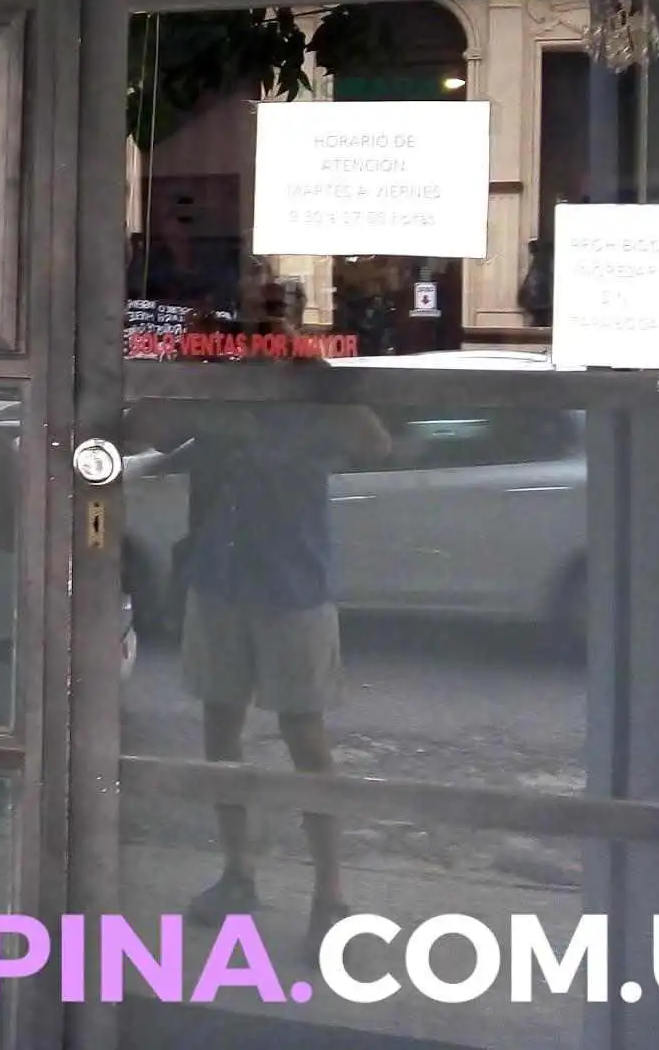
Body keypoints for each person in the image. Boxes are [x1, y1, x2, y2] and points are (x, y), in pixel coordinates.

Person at [126, 376, 390, 957]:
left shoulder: (307, 391)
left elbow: (374, 441)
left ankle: (330, 897)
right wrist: (184, 366)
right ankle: (238, 874)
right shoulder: (218, 387)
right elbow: (144, 427)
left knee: (305, 737)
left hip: (292, 584)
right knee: (220, 728)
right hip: (219, 579)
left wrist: (306, 368)